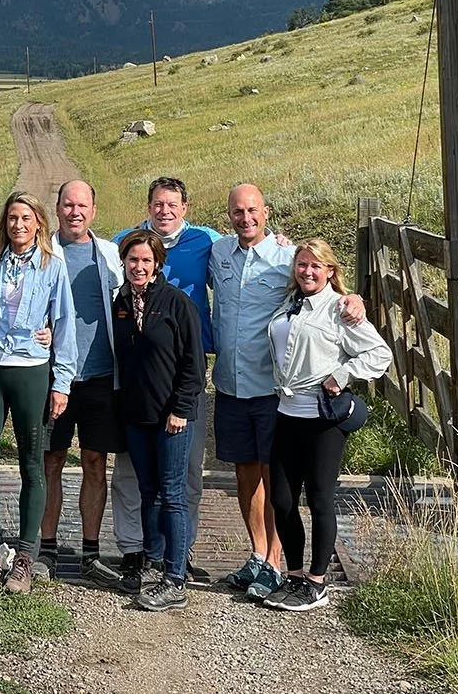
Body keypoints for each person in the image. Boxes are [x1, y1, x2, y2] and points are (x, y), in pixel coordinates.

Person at [211, 184, 365, 601]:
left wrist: (353, 301)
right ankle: (259, 555)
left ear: (266, 212)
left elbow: (320, 276)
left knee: (275, 478)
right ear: (229, 215)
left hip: (271, 389)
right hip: (230, 382)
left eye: (252, 211)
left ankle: (279, 564)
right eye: (237, 212)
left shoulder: (287, 256)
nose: (245, 219)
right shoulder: (218, 251)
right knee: (244, 470)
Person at [264, 238, 391, 611]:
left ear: (330, 271)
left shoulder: (340, 310)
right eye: (302, 264)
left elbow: (379, 353)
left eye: (316, 266)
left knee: (320, 498)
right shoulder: (290, 303)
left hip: (322, 418)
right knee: (282, 500)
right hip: (287, 413)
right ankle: (294, 574)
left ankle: (317, 583)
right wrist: (280, 239)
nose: (307, 271)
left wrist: (342, 373)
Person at [0, 191, 76, 596]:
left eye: (26, 219)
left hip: (31, 370)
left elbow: (64, 327)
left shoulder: (52, 267)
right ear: (5, 222)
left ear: (38, 224)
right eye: (12, 217)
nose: (18, 225)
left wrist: (61, 382)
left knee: (34, 463)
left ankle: (26, 558)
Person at [113, 176, 217, 587]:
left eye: (172, 203)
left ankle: (178, 566)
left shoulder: (202, 249)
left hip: (176, 408)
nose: (165, 210)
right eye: (158, 203)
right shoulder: (121, 299)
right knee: (148, 488)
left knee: (179, 487)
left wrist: (181, 407)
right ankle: (150, 561)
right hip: (138, 411)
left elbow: (193, 363)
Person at [39, 179, 138, 587]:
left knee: (96, 462)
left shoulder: (111, 255)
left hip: (100, 378)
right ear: (57, 208)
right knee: (51, 462)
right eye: (67, 204)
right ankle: (45, 547)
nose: (74, 212)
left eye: (82, 205)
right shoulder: (41, 253)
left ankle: (90, 551)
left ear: (94, 210)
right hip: (53, 377)